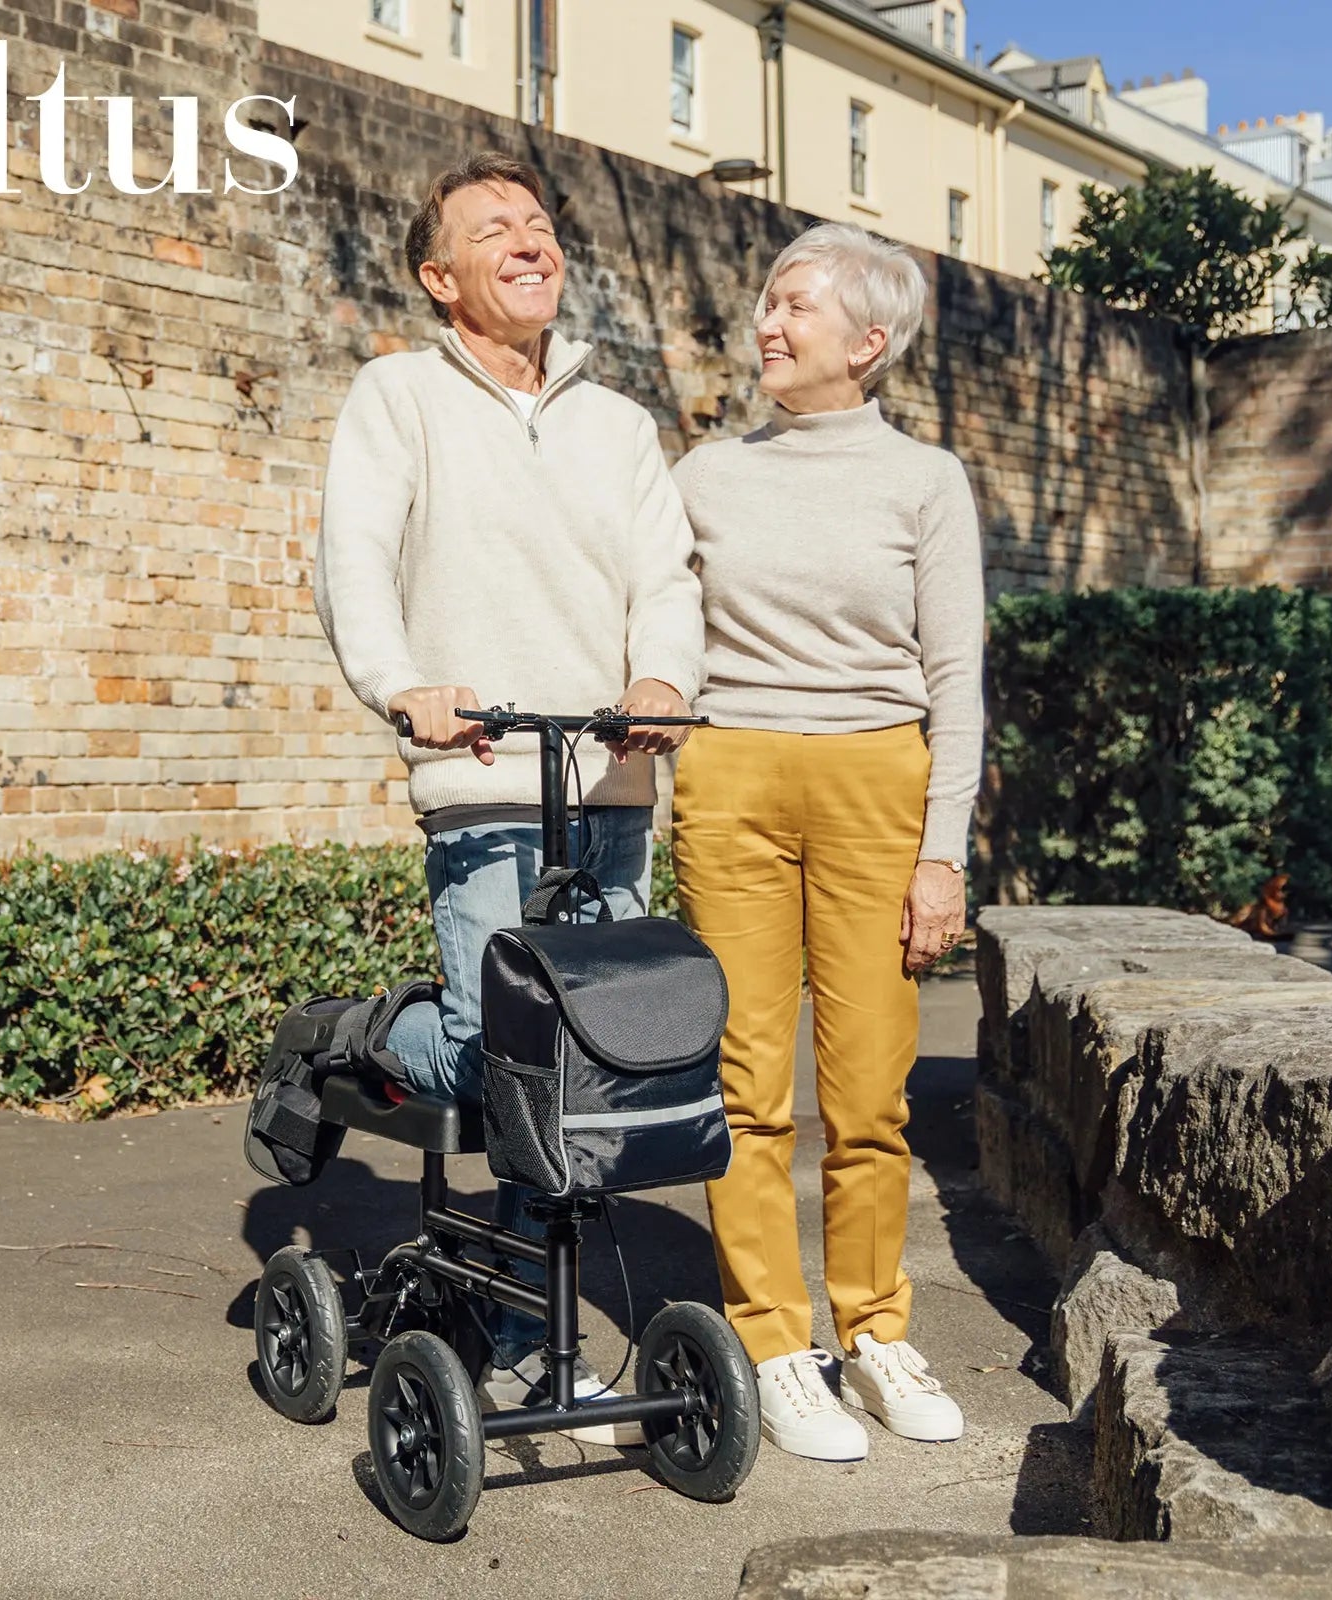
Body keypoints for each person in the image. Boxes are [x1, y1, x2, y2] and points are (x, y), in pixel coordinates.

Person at [314, 152, 703, 1443]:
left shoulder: (617, 423)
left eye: (538, 223)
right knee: (502, 1062)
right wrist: (402, 682)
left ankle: (541, 1341)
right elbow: (355, 555)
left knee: (584, 1075)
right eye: (493, 230)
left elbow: (667, 577)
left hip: (610, 786)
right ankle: (375, 1036)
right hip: (482, 785)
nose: (528, 241)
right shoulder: (399, 398)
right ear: (441, 277)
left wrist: (660, 673)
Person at [669, 222, 984, 1463]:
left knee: (867, 1094)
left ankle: (874, 1331)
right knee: (745, 1089)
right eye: (764, 300)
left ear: (868, 341)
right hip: (733, 774)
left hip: (877, 785)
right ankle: (773, 1340)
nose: (768, 321)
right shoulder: (700, 475)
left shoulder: (927, 480)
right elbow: (652, 629)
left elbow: (955, 675)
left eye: (794, 305)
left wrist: (941, 851)